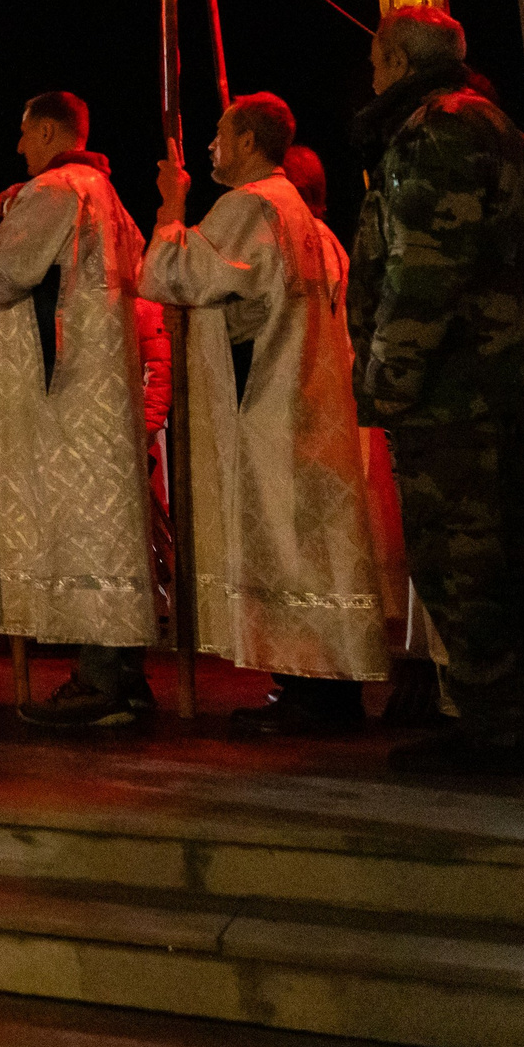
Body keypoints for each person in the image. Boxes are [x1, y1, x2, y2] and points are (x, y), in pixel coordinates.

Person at [143, 93, 391, 734]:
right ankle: (312, 685)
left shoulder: (253, 206)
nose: (208, 148)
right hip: (307, 403)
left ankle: (317, 693)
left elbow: (173, 275)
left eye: (220, 134)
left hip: (271, 409)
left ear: (248, 141)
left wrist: (172, 206)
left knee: (288, 547)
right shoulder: (306, 218)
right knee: (306, 546)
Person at [348, 6, 524, 776]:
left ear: (399, 58)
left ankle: (501, 730)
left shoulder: (434, 130)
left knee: (459, 560)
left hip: (450, 385)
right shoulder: (488, 121)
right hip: (486, 373)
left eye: (376, 61)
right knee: (497, 552)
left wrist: (388, 380)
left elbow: (422, 267)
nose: (371, 77)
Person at [0, 92, 156, 728]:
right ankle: (122, 676)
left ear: (48, 131)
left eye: (23, 134)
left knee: (81, 529)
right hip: (101, 392)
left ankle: (101, 680)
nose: (17, 147)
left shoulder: (53, 192)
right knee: (107, 529)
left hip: (63, 395)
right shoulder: (110, 197)